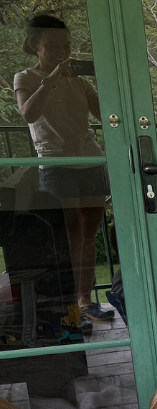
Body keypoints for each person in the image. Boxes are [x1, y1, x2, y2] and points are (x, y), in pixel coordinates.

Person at [14, 14, 114, 329]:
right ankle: (70, 309)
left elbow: (108, 114)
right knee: (69, 237)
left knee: (88, 235)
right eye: (53, 45)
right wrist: (52, 79)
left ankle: (85, 302)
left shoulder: (80, 80)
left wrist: (108, 78)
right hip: (57, 165)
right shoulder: (25, 77)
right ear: (35, 45)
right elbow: (28, 113)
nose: (61, 51)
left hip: (91, 160)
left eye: (66, 45)